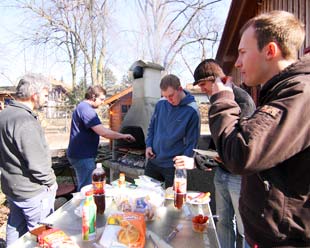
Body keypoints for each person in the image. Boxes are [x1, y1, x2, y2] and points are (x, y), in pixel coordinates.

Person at [208, 11, 309, 247]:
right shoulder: (279, 92)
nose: (238, 63)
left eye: (243, 52)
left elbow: (240, 153)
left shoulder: (300, 95)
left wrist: (222, 100)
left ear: (270, 51)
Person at [174, 59, 256, 248]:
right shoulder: (217, 101)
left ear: (219, 79)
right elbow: (217, 142)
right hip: (221, 174)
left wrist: (197, 162)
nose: (202, 90)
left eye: (203, 84)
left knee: (245, 230)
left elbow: (237, 148)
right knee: (223, 222)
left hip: (238, 178)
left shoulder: (243, 101)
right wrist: (201, 159)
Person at [0, 75, 58, 246]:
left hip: (12, 188)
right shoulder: (24, 120)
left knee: (15, 228)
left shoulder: (4, 115)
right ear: (35, 94)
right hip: (32, 191)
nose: (46, 100)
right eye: (46, 95)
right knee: (41, 234)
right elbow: (37, 163)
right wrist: (51, 182)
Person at [67, 85, 135, 191]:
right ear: (93, 96)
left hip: (81, 155)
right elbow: (103, 132)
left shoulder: (82, 107)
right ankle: (85, 206)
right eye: (101, 99)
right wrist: (123, 136)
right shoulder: (86, 110)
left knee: (85, 185)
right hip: (83, 156)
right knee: (87, 188)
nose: (103, 102)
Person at [145, 74, 200, 188]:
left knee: (173, 203)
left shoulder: (192, 111)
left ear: (179, 89)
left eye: (171, 95)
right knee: (147, 199)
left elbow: (192, 143)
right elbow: (152, 127)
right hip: (154, 161)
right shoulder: (161, 104)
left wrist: (182, 166)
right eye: (165, 96)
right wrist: (149, 145)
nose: (169, 100)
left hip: (174, 166)